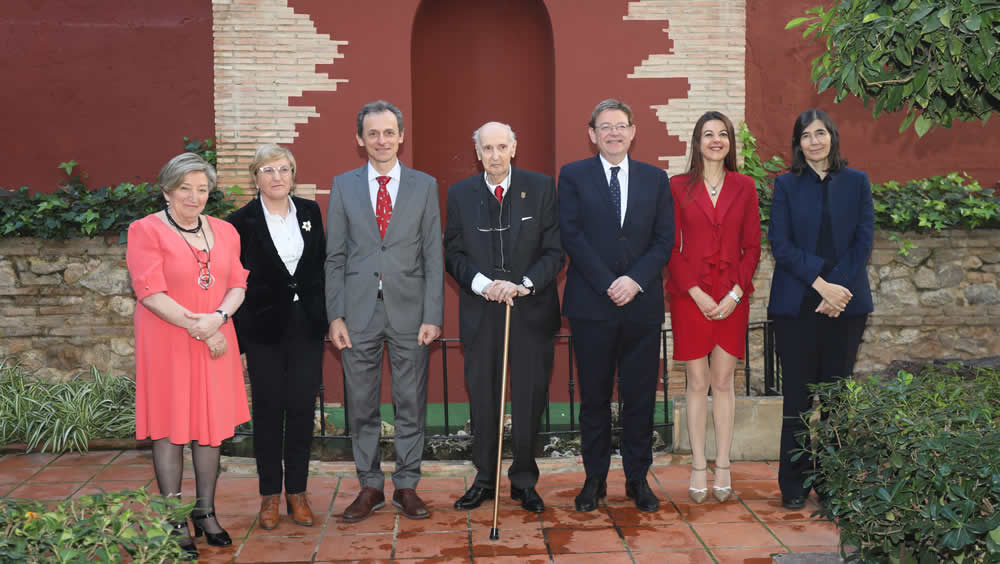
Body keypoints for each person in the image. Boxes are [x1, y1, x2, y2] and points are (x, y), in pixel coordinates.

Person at [126, 153, 250, 559]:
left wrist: (216, 319)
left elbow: (237, 284)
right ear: (167, 189)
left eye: (202, 189)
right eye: (185, 189)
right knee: (170, 424)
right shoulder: (145, 230)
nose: (195, 197)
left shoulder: (227, 231)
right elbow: (150, 291)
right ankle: (173, 517)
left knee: (209, 424)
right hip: (168, 339)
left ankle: (206, 511)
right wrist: (199, 326)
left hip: (215, 334)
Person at [325, 100, 444, 522]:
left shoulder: (424, 185)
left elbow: (434, 255)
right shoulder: (343, 186)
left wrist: (433, 314)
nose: (381, 140)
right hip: (357, 315)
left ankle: (407, 485)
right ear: (360, 139)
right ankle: (370, 486)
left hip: (411, 313)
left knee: (410, 401)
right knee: (361, 404)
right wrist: (334, 316)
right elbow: (334, 256)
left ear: (401, 136)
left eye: (389, 132)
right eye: (372, 133)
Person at [558, 99, 674, 513]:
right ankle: (594, 481)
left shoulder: (655, 179)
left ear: (633, 131)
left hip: (641, 306)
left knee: (640, 397)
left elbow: (664, 240)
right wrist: (609, 283)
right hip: (593, 306)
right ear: (592, 134)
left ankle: (638, 480)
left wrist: (634, 280)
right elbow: (571, 235)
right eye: (605, 126)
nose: (613, 133)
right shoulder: (572, 176)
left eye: (620, 125)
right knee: (593, 398)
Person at [444, 122, 564, 513]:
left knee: (529, 398)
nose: (494, 155)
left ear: (514, 147)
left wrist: (524, 284)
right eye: (486, 148)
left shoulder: (542, 187)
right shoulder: (460, 194)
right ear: (477, 152)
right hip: (482, 310)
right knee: (483, 398)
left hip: (530, 309)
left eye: (501, 147)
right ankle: (484, 479)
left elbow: (555, 250)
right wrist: (482, 284)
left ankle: (524, 480)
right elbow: (453, 252)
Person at [767, 109, 873, 510]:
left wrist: (838, 289)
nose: (814, 141)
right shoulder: (786, 185)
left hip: (846, 306)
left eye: (821, 133)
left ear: (832, 136)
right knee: (797, 398)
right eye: (806, 135)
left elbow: (863, 242)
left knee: (835, 400)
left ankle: (831, 481)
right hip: (797, 305)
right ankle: (793, 483)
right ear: (798, 143)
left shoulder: (857, 183)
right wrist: (822, 285)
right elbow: (782, 246)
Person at [227, 144, 328, 530]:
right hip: (263, 330)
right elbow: (234, 281)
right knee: (269, 411)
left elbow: (319, 267)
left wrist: (326, 316)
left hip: (306, 326)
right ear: (255, 177)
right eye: (268, 170)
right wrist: (239, 340)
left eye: (284, 169)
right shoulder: (240, 221)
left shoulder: (309, 212)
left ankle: (297, 494)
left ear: (293, 174)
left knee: (302, 409)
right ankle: (269, 495)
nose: (277, 177)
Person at [666, 111, 761, 504]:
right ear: (697, 142)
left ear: (730, 143)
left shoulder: (745, 186)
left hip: (732, 296)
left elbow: (752, 246)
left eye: (723, 134)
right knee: (697, 382)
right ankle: (699, 465)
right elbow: (670, 247)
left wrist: (735, 293)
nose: (716, 140)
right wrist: (696, 294)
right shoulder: (677, 187)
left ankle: (723, 464)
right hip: (691, 298)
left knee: (723, 382)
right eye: (708, 134)